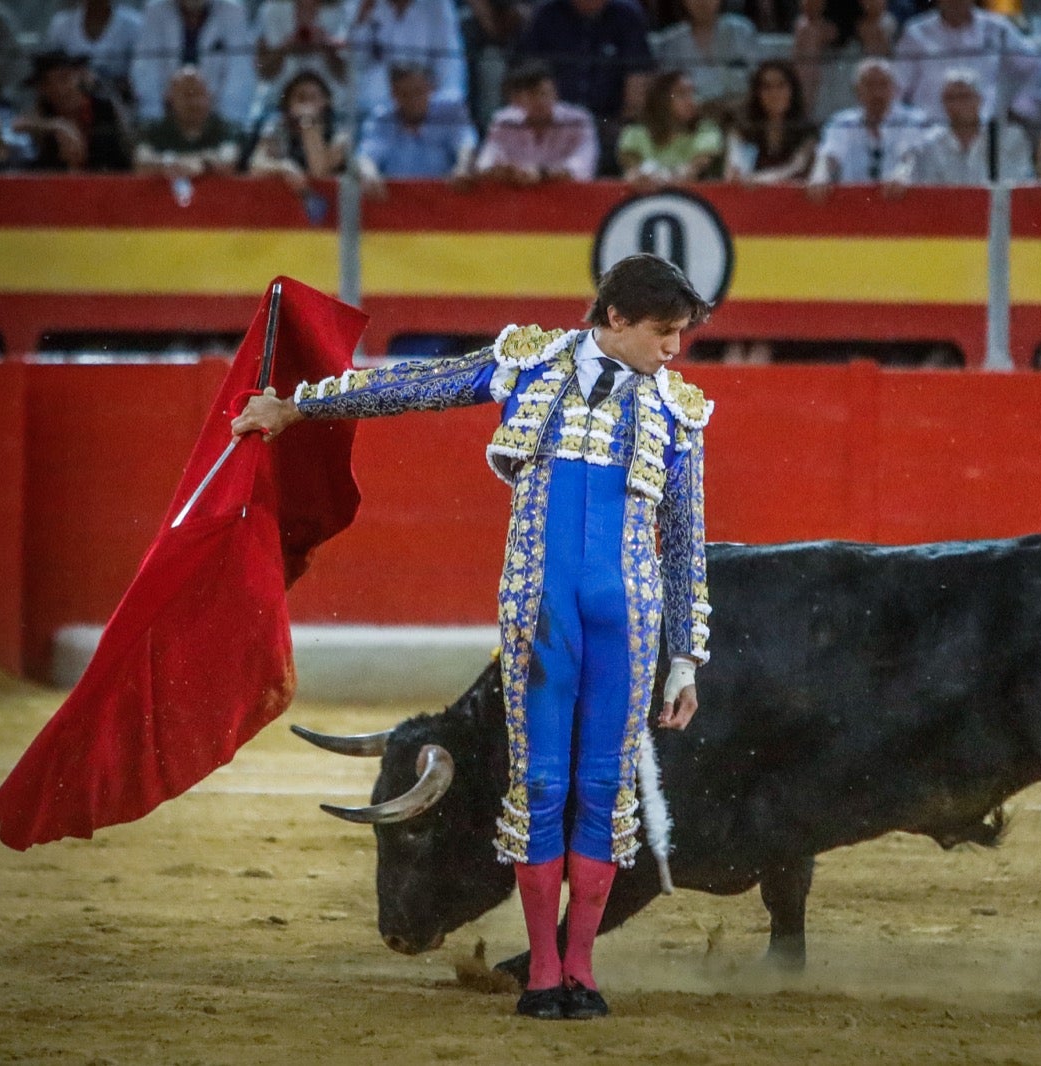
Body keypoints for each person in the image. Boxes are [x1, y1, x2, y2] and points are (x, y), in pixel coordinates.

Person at [229, 253, 714, 1022]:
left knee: (603, 793)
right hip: (541, 617)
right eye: (664, 331)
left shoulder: (680, 410)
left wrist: (685, 659)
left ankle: (582, 971)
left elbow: (686, 541)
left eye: (681, 335)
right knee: (542, 786)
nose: (674, 350)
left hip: (630, 623)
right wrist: (297, 408)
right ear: (615, 318)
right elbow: (413, 387)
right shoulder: (528, 365)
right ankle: (544, 974)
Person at [512, 0, 654, 173]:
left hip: (609, 124)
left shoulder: (627, 14)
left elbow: (638, 79)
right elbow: (528, 75)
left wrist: (623, 123)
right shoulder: (545, 14)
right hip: (558, 123)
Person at [893, 0, 1041, 124]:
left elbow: (1037, 68)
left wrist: (1021, 108)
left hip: (986, 133)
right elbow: (896, 89)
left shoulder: (997, 29)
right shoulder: (916, 33)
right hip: (929, 135)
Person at [885, 66, 1031, 188]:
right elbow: (905, 173)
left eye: (965, 96)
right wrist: (900, 179)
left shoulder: (1009, 138)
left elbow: (1021, 181)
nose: (958, 104)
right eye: (951, 98)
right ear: (943, 103)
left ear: (979, 100)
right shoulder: (928, 143)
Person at [807, 57, 928, 197]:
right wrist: (820, 175)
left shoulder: (912, 119)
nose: (877, 93)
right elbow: (829, 154)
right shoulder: (841, 122)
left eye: (883, 84)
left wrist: (902, 174)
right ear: (857, 90)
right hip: (854, 205)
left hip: (897, 201)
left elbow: (911, 155)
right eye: (869, 85)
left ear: (894, 88)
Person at [132, 0, 257, 128]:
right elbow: (145, 73)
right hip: (167, 118)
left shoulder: (233, 11)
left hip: (216, 120)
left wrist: (226, 127)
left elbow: (241, 75)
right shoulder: (155, 10)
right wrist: (154, 124)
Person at [473, 60, 600, 183]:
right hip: (516, 197)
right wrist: (502, 171)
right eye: (533, 95)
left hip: (566, 198)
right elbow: (485, 162)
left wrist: (542, 173)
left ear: (555, 93)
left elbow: (583, 167)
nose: (541, 101)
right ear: (516, 99)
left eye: (545, 93)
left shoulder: (578, 120)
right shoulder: (503, 121)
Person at [12, 49, 133, 171]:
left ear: (78, 76)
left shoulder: (104, 107)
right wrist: (56, 125)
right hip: (58, 181)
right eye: (49, 83)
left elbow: (130, 144)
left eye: (64, 78)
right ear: (42, 89)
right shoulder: (44, 110)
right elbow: (18, 125)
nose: (60, 89)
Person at [358, 62, 478, 185]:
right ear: (393, 93)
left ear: (431, 88)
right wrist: (368, 174)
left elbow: (465, 145)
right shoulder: (381, 119)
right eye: (404, 94)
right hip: (395, 200)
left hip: (443, 199)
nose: (413, 100)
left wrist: (462, 168)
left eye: (418, 91)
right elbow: (366, 157)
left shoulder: (449, 112)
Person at [346, 0, 468, 116]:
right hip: (376, 108)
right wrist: (363, 16)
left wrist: (439, 108)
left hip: (427, 109)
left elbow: (450, 67)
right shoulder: (362, 6)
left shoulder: (438, 5)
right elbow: (358, 61)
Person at [793, 0, 898, 125]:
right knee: (807, 31)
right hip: (826, 22)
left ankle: (883, 115)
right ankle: (801, 116)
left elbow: (876, 11)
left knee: (874, 30)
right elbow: (810, 12)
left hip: (867, 19)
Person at [618, 68, 724, 186]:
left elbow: (697, 167)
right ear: (661, 99)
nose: (692, 100)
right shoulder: (635, 133)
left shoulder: (707, 130)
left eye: (693, 93)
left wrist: (669, 177)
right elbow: (632, 170)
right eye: (681, 94)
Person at [652, 0, 759, 116]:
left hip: (742, 115)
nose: (702, 2)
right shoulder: (671, 41)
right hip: (690, 120)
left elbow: (757, 80)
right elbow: (668, 93)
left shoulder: (742, 31)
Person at [248, 68, 348, 191]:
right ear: (288, 103)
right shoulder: (277, 128)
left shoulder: (339, 134)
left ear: (325, 101)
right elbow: (256, 164)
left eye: (313, 98)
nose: (307, 104)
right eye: (301, 98)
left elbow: (319, 171)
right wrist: (284, 167)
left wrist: (308, 124)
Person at [135, 64, 243, 177]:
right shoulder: (153, 129)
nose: (193, 102)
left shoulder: (227, 128)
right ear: (170, 99)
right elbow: (141, 162)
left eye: (198, 94)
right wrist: (172, 163)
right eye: (186, 95)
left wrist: (202, 164)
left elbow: (229, 161)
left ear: (209, 96)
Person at [725, 58, 819, 184]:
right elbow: (733, 169)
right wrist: (736, 171)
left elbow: (797, 167)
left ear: (792, 90)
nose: (774, 93)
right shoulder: (742, 128)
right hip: (748, 199)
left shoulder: (807, 130)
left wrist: (759, 180)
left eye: (781, 85)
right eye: (767, 87)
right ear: (757, 93)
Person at [253, 0, 347, 113]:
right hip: (277, 105)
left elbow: (347, 73)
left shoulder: (340, 12)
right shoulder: (272, 10)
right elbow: (264, 72)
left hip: (328, 108)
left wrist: (326, 45)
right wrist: (286, 47)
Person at [45, 0, 143, 103]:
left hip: (120, 105)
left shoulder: (134, 25)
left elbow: (139, 77)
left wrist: (101, 85)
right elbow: (51, 73)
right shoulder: (61, 24)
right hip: (72, 105)